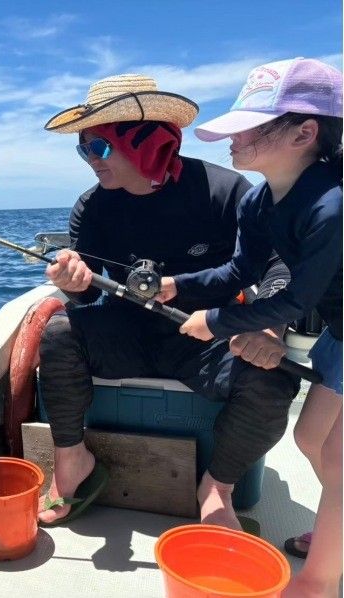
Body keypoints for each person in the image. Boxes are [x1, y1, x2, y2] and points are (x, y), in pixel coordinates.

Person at [36, 73, 299, 532]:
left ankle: (216, 489)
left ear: (144, 141)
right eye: (82, 149)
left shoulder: (227, 191)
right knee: (59, 333)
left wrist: (268, 328)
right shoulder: (91, 206)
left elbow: (280, 269)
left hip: (208, 336)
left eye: (97, 148)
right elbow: (85, 294)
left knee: (273, 379)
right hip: (128, 333)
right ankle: (71, 460)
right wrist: (72, 281)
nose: (88, 161)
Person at [164, 57, 342, 598]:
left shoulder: (331, 206)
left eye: (248, 126)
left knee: (337, 457)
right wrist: (179, 286)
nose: (231, 138)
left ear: (304, 133)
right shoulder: (260, 199)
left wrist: (215, 321)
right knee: (311, 437)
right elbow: (239, 272)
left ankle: (318, 580)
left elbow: (296, 299)